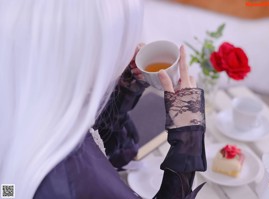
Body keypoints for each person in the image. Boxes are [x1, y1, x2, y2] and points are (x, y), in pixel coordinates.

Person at [0, 1, 206, 198]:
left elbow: (103, 150)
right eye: (121, 43)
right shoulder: (75, 174)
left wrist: (125, 89)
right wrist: (188, 139)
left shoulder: (27, 102)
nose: (130, 51)